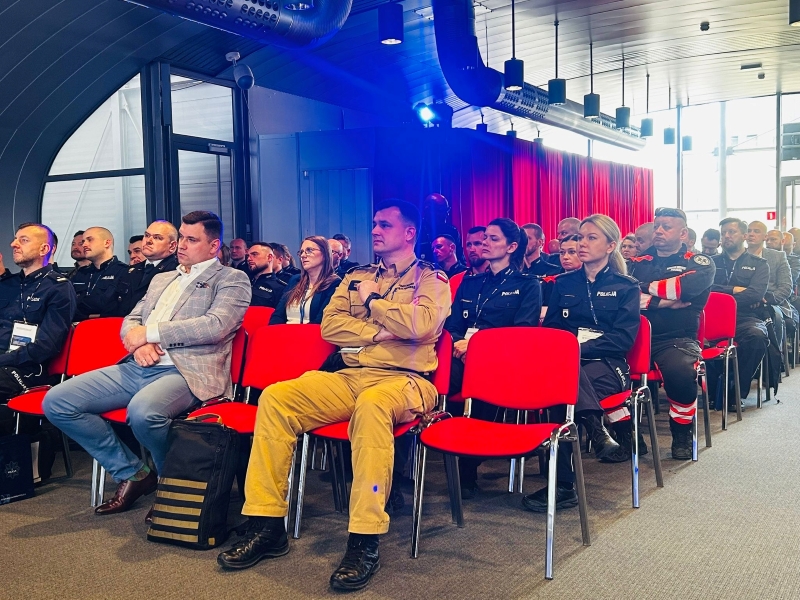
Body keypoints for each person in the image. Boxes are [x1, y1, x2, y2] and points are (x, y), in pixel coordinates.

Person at [217, 199, 450, 592]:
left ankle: (364, 539)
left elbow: (422, 324)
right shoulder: (356, 275)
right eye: (374, 223)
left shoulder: (431, 277)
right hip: (351, 374)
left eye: (385, 224)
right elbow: (331, 325)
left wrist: (373, 301)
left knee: (372, 408)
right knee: (276, 398)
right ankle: (266, 523)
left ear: (410, 232)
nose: (374, 230)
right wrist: (381, 332)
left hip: (406, 380)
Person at [43, 211, 251, 518]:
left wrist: (150, 334)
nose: (182, 245)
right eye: (182, 237)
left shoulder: (231, 279)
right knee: (58, 401)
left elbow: (216, 326)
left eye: (192, 240)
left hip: (186, 371)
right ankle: (135, 473)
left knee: (143, 413)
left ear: (213, 245)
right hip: (138, 365)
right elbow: (131, 319)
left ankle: (173, 486)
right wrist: (139, 342)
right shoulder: (162, 278)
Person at [522, 214, 639, 511]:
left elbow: (622, 340)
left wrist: (574, 348)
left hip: (608, 366)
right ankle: (595, 429)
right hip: (567, 365)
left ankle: (563, 486)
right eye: (580, 237)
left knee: (559, 387)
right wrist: (566, 351)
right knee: (561, 388)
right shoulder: (563, 284)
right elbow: (551, 330)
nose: (581, 243)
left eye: (591, 238)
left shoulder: (626, 286)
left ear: (610, 246)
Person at [444, 218, 543, 499]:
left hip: (501, 360)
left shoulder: (528, 284)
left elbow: (522, 333)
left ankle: (467, 466)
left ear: (512, 247)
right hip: (459, 356)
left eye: (493, 239)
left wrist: (476, 346)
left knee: (483, 382)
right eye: (484, 237)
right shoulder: (470, 283)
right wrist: (458, 344)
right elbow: (453, 325)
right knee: (432, 380)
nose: (484, 243)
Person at [627, 207, 715, 460]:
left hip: (676, 338)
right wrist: (660, 301)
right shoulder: (637, 262)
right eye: (657, 226)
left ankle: (681, 434)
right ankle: (627, 435)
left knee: (681, 372)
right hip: (634, 337)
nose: (659, 231)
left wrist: (643, 290)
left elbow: (683, 290)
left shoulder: (699, 262)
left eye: (666, 227)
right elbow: (624, 294)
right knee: (603, 369)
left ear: (683, 233)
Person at [0, 224, 76, 406]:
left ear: (44, 249)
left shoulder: (59, 287)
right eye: (15, 239)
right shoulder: (7, 284)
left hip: (27, 368)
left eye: (23, 240)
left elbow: (46, 346)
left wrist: (2, 359)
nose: (13, 244)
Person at [709, 218, 769, 404]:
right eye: (723, 233)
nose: (726, 236)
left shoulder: (760, 264)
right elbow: (705, 289)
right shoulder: (711, 263)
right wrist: (734, 289)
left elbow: (755, 294)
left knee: (757, 337)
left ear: (744, 235)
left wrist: (720, 295)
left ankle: (736, 391)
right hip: (711, 317)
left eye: (731, 232)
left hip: (744, 318)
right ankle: (712, 390)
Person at [747, 221, 792, 385]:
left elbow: (786, 286)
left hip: (772, 302)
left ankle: (771, 369)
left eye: (756, 231)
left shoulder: (778, 257)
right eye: (749, 231)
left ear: (764, 237)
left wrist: (767, 299)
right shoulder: (739, 256)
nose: (751, 234)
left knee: (772, 319)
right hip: (745, 303)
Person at [114, 221, 180, 318]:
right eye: (147, 235)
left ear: (172, 246)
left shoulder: (177, 271)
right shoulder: (131, 270)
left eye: (157, 237)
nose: (148, 241)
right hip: (123, 323)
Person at [269, 236, 340, 325]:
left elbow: (320, 321)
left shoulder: (334, 283)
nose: (303, 255)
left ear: (325, 254)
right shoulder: (295, 280)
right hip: (284, 331)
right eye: (301, 252)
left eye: (309, 250)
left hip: (311, 332)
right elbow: (278, 315)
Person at [71, 227, 129, 321]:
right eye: (84, 241)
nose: (84, 244)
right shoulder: (80, 273)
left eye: (90, 240)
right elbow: (70, 307)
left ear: (107, 243)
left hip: (109, 327)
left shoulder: (124, 272)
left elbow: (118, 310)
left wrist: (86, 315)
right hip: (79, 328)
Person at [416, 193, 464, 263]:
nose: (447, 214)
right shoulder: (416, 230)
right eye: (442, 210)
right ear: (428, 209)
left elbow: (461, 259)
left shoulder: (452, 231)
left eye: (447, 210)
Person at [247, 242, 287, 308]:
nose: (249, 259)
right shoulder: (244, 282)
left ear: (269, 257)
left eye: (254, 254)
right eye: (248, 256)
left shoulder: (280, 288)